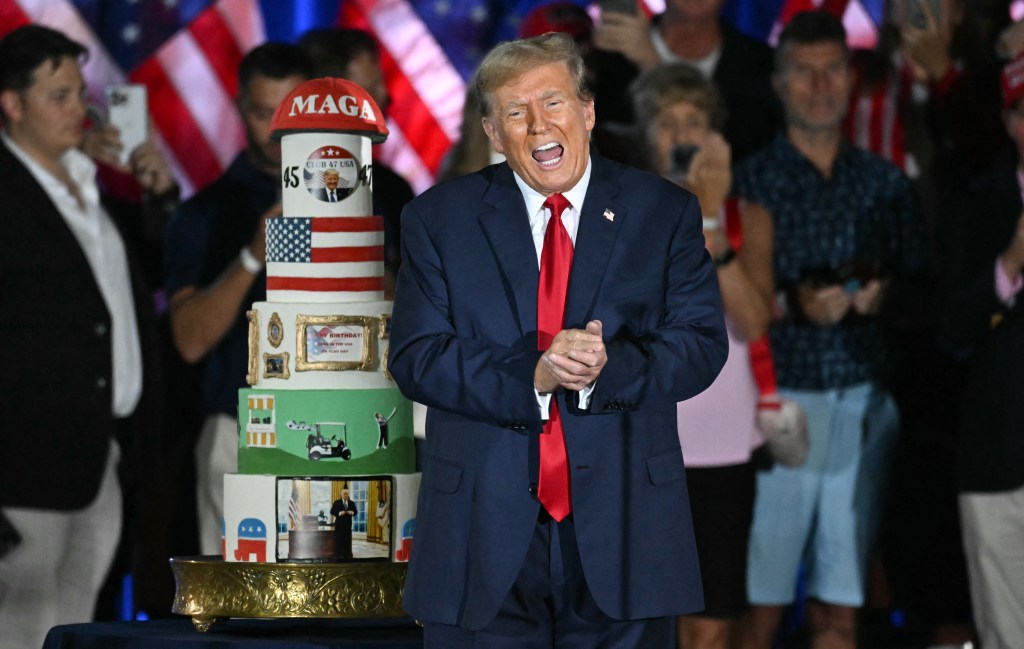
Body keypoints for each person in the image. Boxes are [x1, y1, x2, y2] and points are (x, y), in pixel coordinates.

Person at [388, 32, 727, 649]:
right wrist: (534, 376)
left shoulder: (663, 212)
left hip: (625, 527)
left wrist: (607, 369)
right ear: (493, 133)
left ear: (587, 111)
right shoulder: (438, 219)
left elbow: (701, 342)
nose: (539, 124)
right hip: (480, 534)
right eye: (516, 112)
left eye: (553, 102)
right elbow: (417, 356)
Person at [732, 12, 923, 649]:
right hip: (775, 408)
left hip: (863, 402)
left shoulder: (886, 183)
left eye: (833, 69)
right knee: (759, 608)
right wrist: (795, 304)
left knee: (840, 611)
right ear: (778, 83)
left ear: (851, 77)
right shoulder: (749, 181)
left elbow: (923, 295)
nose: (820, 86)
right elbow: (722, 302)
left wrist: (884, 295)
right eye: (804, 72)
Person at [0, 24, 172, 649]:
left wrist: (157, 196)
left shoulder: (88, 189)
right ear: (11, 104)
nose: (80, 109)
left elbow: (141, 289)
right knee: (20, 625)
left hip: (103, 455)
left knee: (73, 624)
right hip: (23, 464)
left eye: (81, 93)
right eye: (59, 96)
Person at [631, 62, 774, 649]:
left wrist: (711, 223)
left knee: (711, 621)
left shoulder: (748, 218)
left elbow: (755, 320)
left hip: (723, 444)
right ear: (647, 135)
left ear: (716, 135)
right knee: (645, 616)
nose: (682, 136)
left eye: (694, 121)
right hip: (645, 440)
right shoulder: (622, 214)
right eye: (668, 123)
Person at [165, 43, 311, 556]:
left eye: (289, 113)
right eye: (261, 113)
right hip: (240, 424)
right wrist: (253, 254)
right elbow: (189, 341)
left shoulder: (364, 198)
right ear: (238, 108)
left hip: (340, 420)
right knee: (237, 593)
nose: (277, 130)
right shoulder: (205, 214)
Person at [939, 53, 1024, 649]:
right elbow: (951, 326)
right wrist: (1010, 264)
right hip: (999, 458)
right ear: (1009, 121)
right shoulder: (976, 204)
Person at [298, 27, 415, 296]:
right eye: (370, 90)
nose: (385, 97)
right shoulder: (282, 193)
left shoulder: (393, 190)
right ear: (327, 102)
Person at [590, 0, 782, 162]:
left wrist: (653, 66)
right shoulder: (617, 55)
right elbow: (604, 146)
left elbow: (746, 146)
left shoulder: (762, 63)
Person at [330, 489, 358, 559]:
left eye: (347, 494)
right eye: (344, 494)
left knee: (347, 540)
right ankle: (339, 555)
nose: (345, 495)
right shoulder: (337, 502)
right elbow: (332, 511)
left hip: (348, 525)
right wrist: (339, 513)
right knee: (339, 540)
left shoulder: (352, 503)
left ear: (348, 495)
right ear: (341, 494)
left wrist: (352, 512)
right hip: (339, 525)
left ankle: (347, 555)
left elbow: (355, 512)